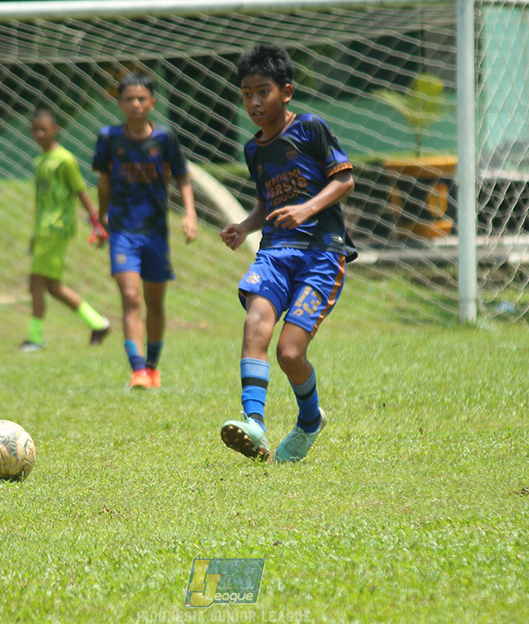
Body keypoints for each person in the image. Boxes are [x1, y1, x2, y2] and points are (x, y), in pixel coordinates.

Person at [218, 45, 355, 464]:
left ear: (287, 91)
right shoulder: (253, 149)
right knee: (255, 324)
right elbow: (267, 201)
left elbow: (345, 179)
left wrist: (308, 208)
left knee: (289, 353)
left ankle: (310, 420)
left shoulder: (311, 128)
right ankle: (254, 422)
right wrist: (245, 226)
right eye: (247, 94)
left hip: (322, 255)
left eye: (263, 92)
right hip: (275, 251)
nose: (255, 102)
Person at [92, 72, 198, 389]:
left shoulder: (165, 138)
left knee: (155, 301)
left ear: (152, 102)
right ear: (120, 102)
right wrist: (101, 218)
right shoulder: (109, 138)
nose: (135, 104)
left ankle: (153, 367)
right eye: (129, 99)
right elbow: (105, 180)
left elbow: (182, 176)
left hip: (155, 232)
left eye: (141, 98)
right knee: (130, 296)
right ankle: (137, 369)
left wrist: (190, 214)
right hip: (123, 230)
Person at [20, 106, 111, 352]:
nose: (39, 134)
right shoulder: (40, 161)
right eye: (35, 130)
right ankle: (98, 322)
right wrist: (34, 234)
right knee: (51, 286)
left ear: (55, 130)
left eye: (44, 129)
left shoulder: (65, 159)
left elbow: (81, 191)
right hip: (43, 230)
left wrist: (97, 222)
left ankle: (35, 339)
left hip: (57, 228)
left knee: (35, 282)